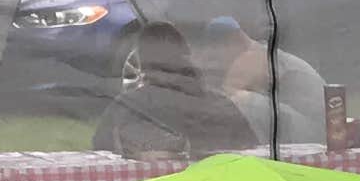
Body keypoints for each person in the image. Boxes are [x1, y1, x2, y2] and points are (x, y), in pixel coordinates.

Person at [90, 21, 256, 158]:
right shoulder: (221, 104)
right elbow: (250, 151)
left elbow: (103, 156)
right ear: (186, 54)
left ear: (142, 63)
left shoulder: (127, 106)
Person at [201, 14, 333, 149]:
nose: (215, 57)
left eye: (217, 48)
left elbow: (228, 99)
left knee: (238, 98)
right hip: (305, 130)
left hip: (315, 136)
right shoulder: (261, 55)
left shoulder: (254, 59)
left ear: (236, 39)